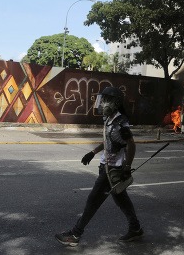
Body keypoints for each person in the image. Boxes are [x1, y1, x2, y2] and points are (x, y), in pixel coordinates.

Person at [55, 86, 143, 246]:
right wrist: (93, 152)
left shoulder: (121, 122)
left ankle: (75, 234)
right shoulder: (109, 119)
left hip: (112, 170)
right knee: (122, 200)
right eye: (101, 100)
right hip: (107, 166)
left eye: (104, 100)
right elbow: (109, 141)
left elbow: (131, 144)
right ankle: (135, 229)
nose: (101, 104)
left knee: (93, 201)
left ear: (114, 103)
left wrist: (127, 167)